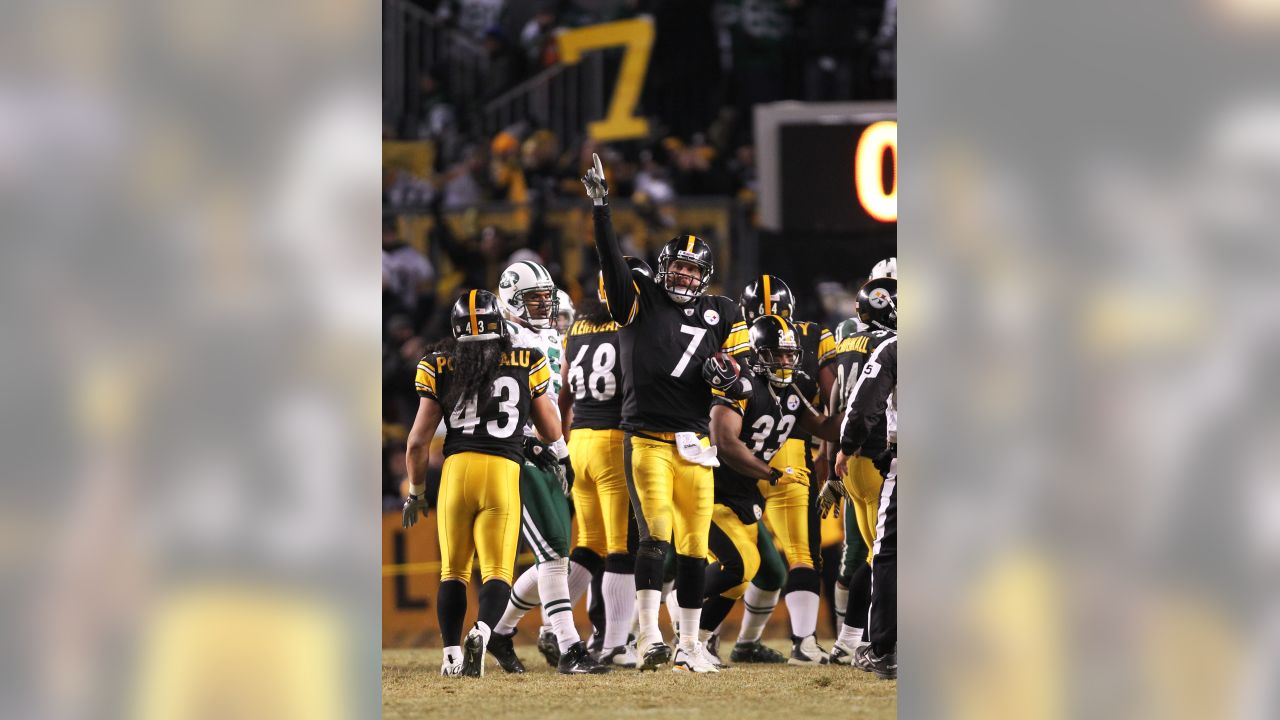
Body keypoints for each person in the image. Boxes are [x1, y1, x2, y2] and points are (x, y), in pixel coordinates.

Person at [582, 153, 751, 672]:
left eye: (693, 269)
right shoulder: (641, 295)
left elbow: (742, 380)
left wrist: (731, 381)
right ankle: (646, 637)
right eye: (678, 265)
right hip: (648, 439)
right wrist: (602, 211)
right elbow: (612, 266)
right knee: (655, 536)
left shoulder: (724, 313)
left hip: (695, 443)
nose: (683, 274)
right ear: (662, 267)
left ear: (705, 276)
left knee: (696, 548)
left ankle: (691, 646)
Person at [401, 289, 563, 678]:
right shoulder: (527, 360)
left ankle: (451, 653)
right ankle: (483, 630)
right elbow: (551, 428)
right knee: (497, 572)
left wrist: (416, 492)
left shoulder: (437, 363)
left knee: (452, 571)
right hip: (502, 471)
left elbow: (417, 442)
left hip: (457, 471)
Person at [485, 260, 610, 675]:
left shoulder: (553, 336)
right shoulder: (502, 336)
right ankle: (571, 647)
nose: (543, 306)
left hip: (549, 449)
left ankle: (500, 632)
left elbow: (557, 404)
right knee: (554, 554)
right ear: (509, 300)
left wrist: (561, 448)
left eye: (545, 298)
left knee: (550, 554)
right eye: (533, 299)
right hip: (517, 450)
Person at [698, 315, 843, 667]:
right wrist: (772, 473)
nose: (784, 362)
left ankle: (695, 641)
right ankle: (680, 616)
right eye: (776, 355)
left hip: (740, 494)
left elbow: (825, 426)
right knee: (739, 566)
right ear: (758, 354)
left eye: (790, 355)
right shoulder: (741, 383)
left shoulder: (793, 390)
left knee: (747, 570)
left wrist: (855, 404)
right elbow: (725, 442)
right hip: (710, 487)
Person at [738, 275, 837, 664]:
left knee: (729, 558)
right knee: (800, 554)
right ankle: (803, 642)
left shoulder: (730, 334)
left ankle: (711, 638)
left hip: (738, 456)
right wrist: (832, 452)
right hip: (789, 452)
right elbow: (832, 401)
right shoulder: (813, 335)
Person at [555, 261, 649, 668]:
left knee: (588, 545)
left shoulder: (575, 329)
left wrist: (560, 441)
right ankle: (614, 643)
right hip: (614, 442)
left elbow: (563, 394)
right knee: (620, 548)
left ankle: (541, 625)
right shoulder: (629, 327)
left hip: (578, 441)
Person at [818, 276, 897, 670]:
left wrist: (835, 464)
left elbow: (836, 406)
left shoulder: (847, 344)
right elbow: (864, 406)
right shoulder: (887, 347)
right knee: (881, 557)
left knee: (875, 555)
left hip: (851, 463)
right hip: (876, 454)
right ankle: (866, 641)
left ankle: (852, 641)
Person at [834, 329, 898, 680]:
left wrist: (847, 444)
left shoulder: (895, 349)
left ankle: (884, 650)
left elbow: (862, 406)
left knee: (888, 553)